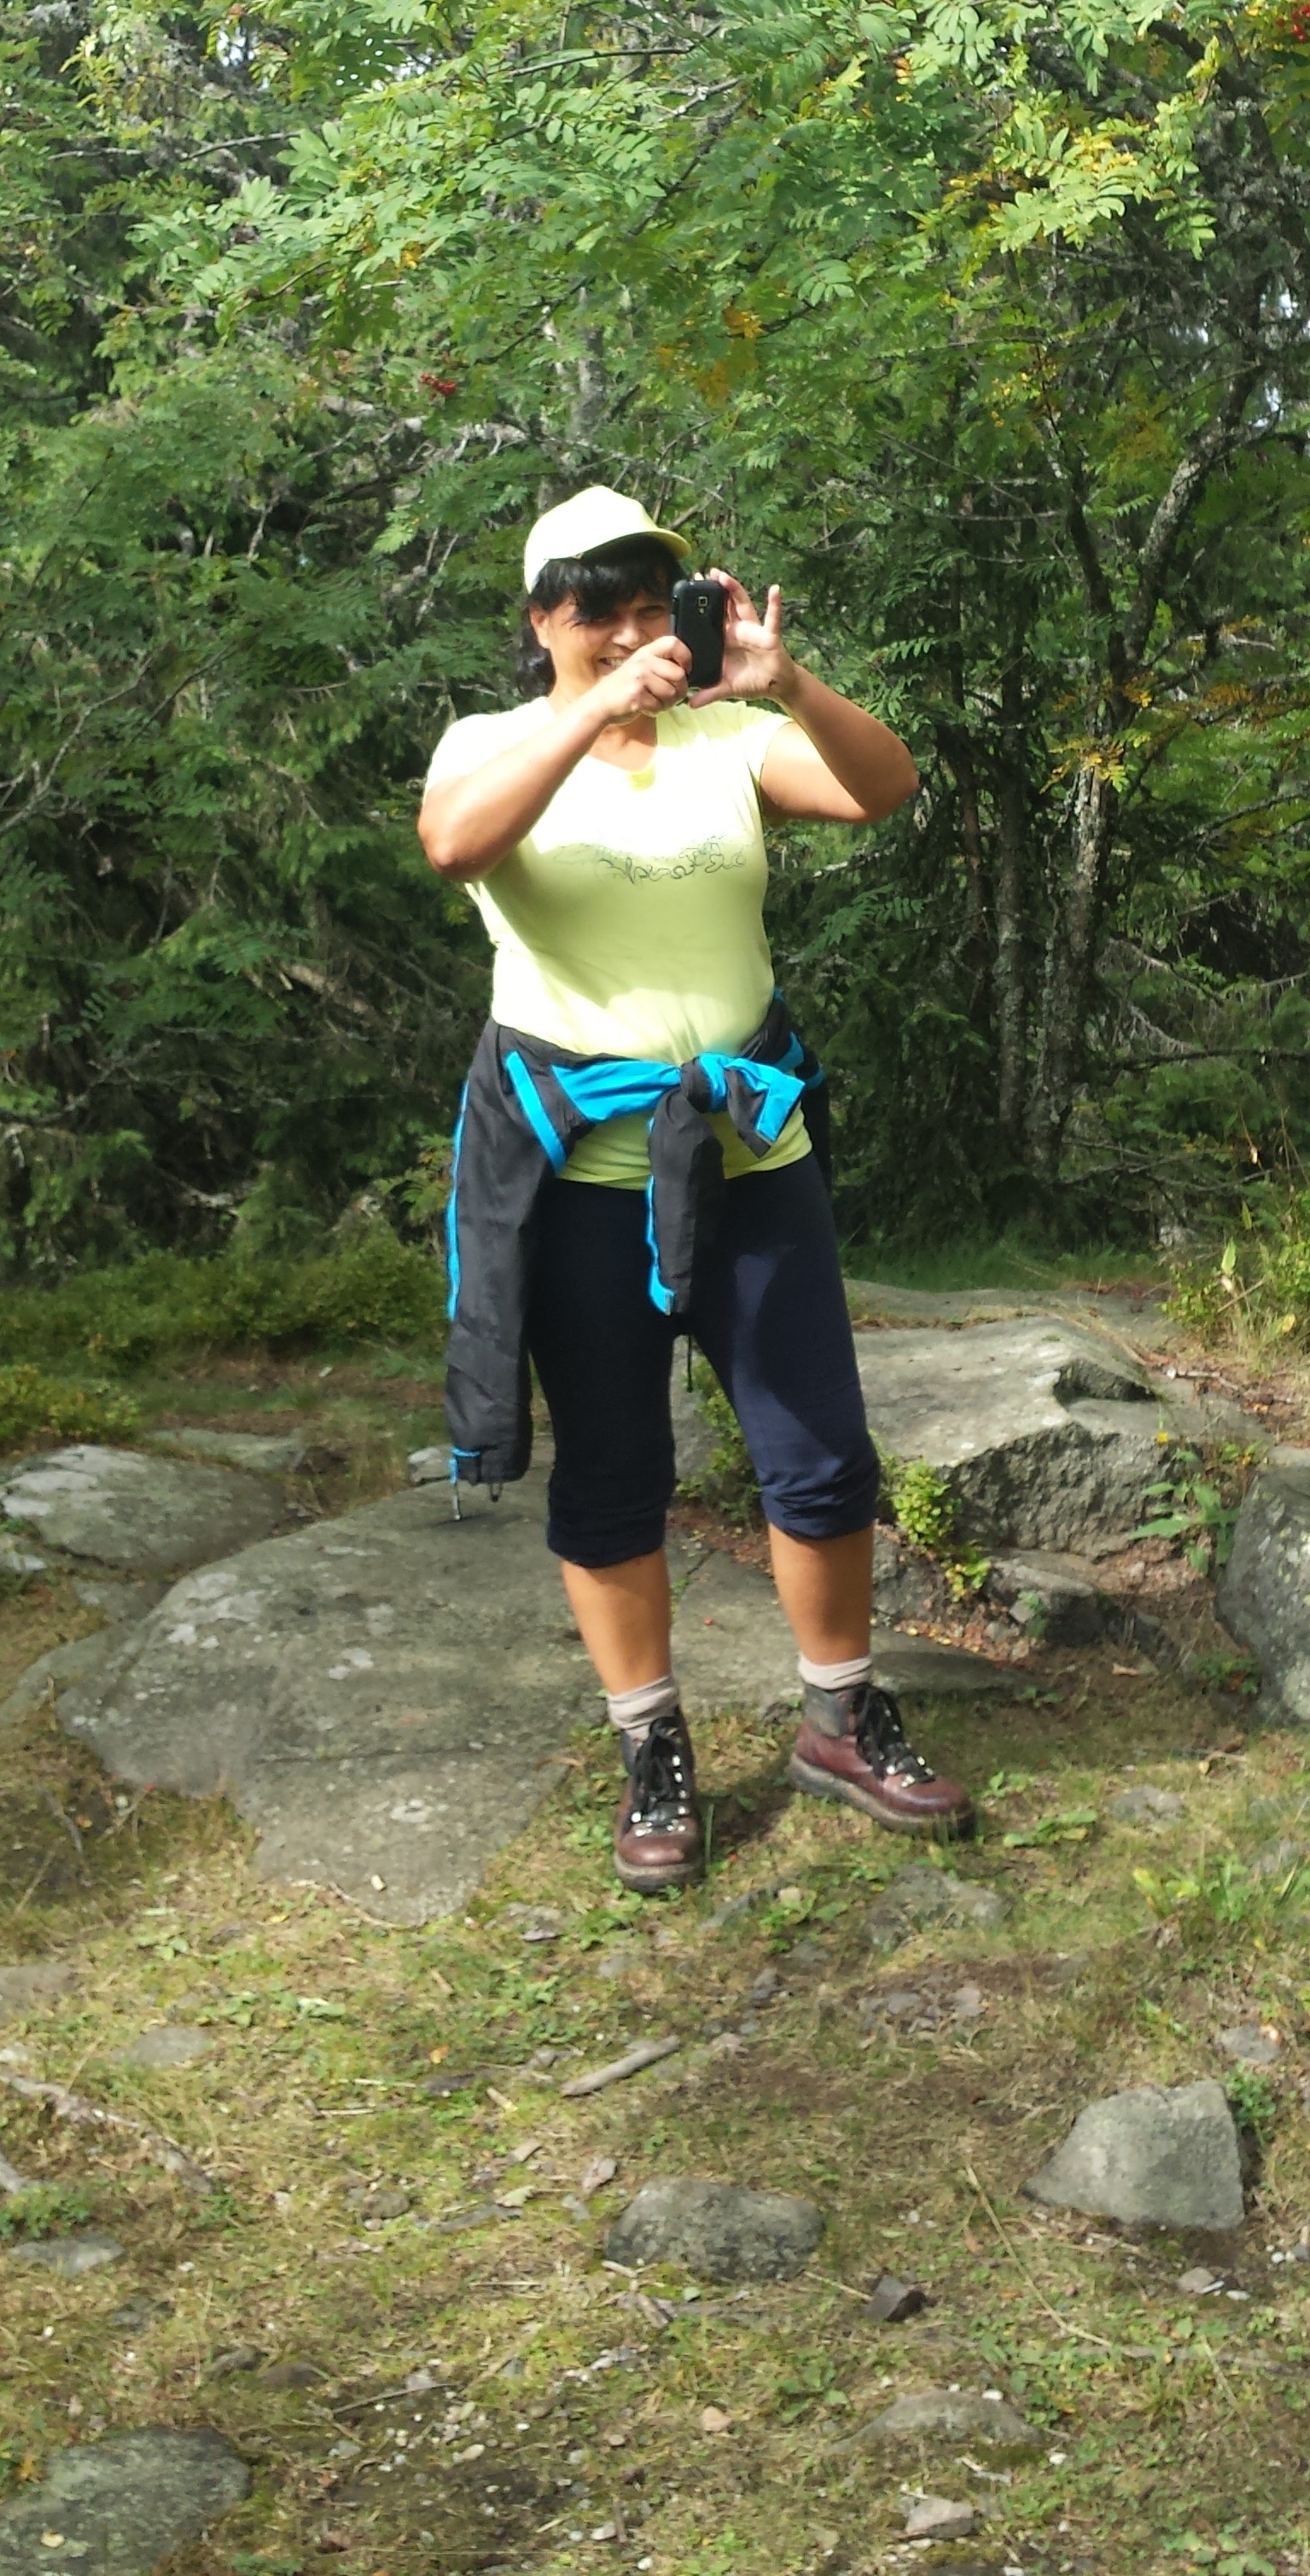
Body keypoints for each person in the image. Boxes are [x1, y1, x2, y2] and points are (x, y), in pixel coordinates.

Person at [416, 483, 972, 1892]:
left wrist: (790, 685)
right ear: (540, 619)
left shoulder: (730, 739)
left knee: (819, 1451)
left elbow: (882, 789)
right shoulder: (489, 742)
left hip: (746, 1156)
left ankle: (838, 1717)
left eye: (646, 606)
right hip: (577, 1175)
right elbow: (456, 845)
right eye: (594, 611)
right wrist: (591, 713)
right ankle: (650, 1744)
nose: (627, 633)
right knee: (613, 1469)